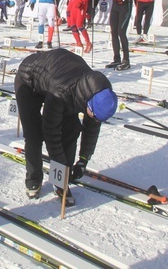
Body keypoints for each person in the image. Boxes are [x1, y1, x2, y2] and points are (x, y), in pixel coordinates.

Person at [15, 49, 117, 203]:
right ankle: (33, 179)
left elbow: (92, 127)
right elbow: (51, 133)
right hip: (29, 79)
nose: (94, 120)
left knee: (72, 130)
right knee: (34, 135)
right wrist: (61, 166)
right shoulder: (62, 92)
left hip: (58, 77)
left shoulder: (99, 92)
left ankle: (60, 183)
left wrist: (83, 160)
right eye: (93, 116)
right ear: (89, 105)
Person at [92, 0, 136, 70]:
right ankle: (116, 58)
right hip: (115, 5)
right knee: (114, 32)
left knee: (122, 32)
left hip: (125, 5)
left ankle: (126, 60)